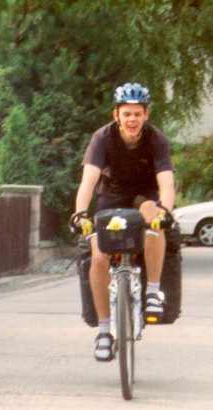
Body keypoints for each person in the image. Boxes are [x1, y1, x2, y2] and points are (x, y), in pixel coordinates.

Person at [73, 82, 175, 361]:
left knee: (154, 218)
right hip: (111, 199)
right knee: (98, 258)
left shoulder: (157, 140)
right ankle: (104, 331)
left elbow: (166, 183)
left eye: (137, 114)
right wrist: (80, 213)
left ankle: (153, 291)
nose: (132, 119)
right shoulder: (101, 138)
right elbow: (88, 182)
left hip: (144, 197)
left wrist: (165, 210)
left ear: (146, 115)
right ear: (116, 114)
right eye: (127, 113)